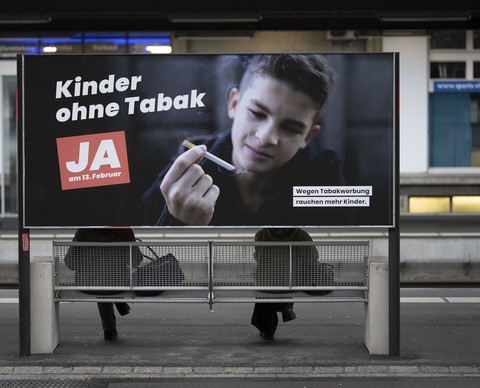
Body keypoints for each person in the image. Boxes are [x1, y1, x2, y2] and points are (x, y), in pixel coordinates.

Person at [142, 54, 350, 226]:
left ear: (308, 136)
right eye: (257, 113)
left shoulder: (322, 174)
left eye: (290, 128)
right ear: (234, 103)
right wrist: (177, 221)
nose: (266, 137)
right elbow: (145, 266)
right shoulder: (187, 168)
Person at [64, 228, 142, 341]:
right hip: (119, 283)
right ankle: (120, 306)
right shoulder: (124, 230)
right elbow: (136, 261)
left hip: (87, 284)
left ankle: (110, 330)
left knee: (101, 282)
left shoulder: (83, 231)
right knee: (108, 281)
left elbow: (71, 263)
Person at [251, 227, 319, 340]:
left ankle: (267, 329)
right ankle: (285, 305)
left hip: (266, 284)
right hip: (293, 282)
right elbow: (313, 257)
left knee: (264, 288)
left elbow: (258, 257)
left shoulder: (261, 234)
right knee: (277, 284)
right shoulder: (301, 234)